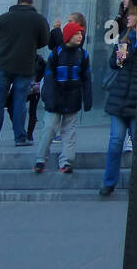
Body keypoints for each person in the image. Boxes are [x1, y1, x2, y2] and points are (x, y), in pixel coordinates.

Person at [0, 0, 51, 147]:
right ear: (31, 4)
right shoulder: (39, 19)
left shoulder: (3, 19)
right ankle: (20, 138)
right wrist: (30, 46)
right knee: (19, 102)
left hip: (3, 64)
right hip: (25, 66)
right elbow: (45, 41)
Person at [35, 22, 93, 174]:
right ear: (68, 36)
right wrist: (49, 98)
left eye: (81, 34)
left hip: (72, 99)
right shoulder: (56, 53)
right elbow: (49, 78)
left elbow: (87, 78)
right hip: (56, 99)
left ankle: (66, 161)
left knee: (69, 132)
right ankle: (40, 159)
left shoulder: (83, 54)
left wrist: (87, 98)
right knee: (49, 129)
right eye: (76, 34)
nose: (80, 36)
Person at [99, 5, 137, 196]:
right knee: (115, 141)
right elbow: (114, 64)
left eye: (131, 15)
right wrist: (120, 56)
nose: (127, 18)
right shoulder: (124, 37)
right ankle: (109, 182)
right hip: (120, 97)